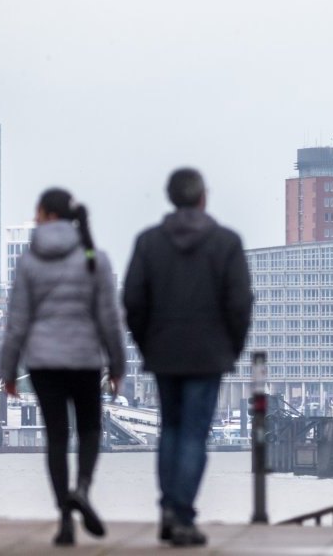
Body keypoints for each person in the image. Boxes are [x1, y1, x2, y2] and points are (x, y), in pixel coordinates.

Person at [123, 169, 253, 547]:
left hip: (164, 351)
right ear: (202, 198)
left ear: (170, 197)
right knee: (195, 434)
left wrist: (147, 344)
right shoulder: (226, 243)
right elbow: (240, 303)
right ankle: (182, 515)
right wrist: (231, 347)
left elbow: (132, 300)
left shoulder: (149, 243)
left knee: (171, 429)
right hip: (208, 353)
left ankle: (168, 508)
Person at [0, 189, 126, 546]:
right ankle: (82, 488)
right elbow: (109, 320)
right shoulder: (94, 259)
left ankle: (65, 520)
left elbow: (17, 322)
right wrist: (117, 365)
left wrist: (7, 370)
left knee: (56, 436)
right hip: (86, 360)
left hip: (43, 362)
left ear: (45, 214)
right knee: (89, 430)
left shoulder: (29, 263)